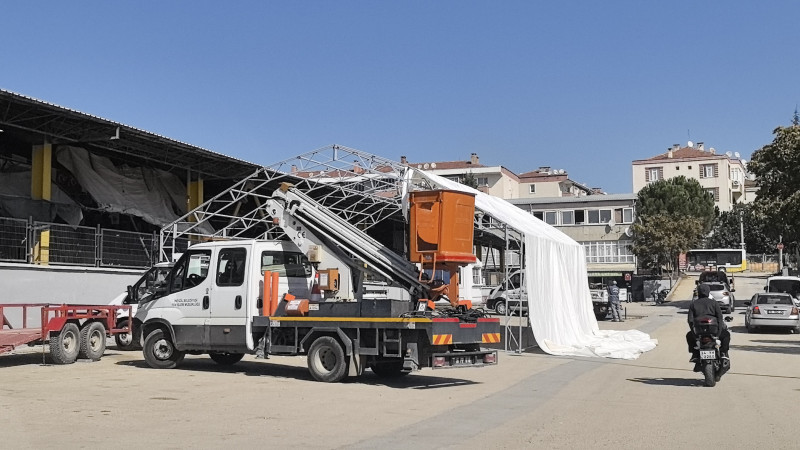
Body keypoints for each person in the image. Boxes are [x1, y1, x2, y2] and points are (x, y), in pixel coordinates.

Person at [686, 283, 731, 362]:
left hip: (699, 332)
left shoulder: (693, 304)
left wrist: (694, 335)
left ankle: (695, 354)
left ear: (698, 292)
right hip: (714, 331)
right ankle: (723, 353)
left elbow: (690, 320)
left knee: (689, 336)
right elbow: (720, 318)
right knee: (726, 335)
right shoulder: (714, 303)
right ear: (708, 292)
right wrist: (718, 333)